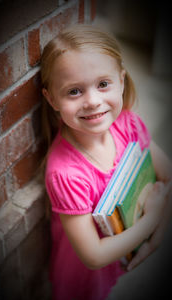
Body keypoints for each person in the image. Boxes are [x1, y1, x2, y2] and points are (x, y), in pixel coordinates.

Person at [40, 24, 172, 300]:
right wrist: (153, 218)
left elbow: (167, 174)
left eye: (103, 84)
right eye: (74, 91)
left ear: (121, 80)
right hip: (85, 275)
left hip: (126, 243)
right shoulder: (65, 173)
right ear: (51, 98)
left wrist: (154, 236)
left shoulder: (129, 125)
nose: (92, 101)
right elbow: (93, 256)